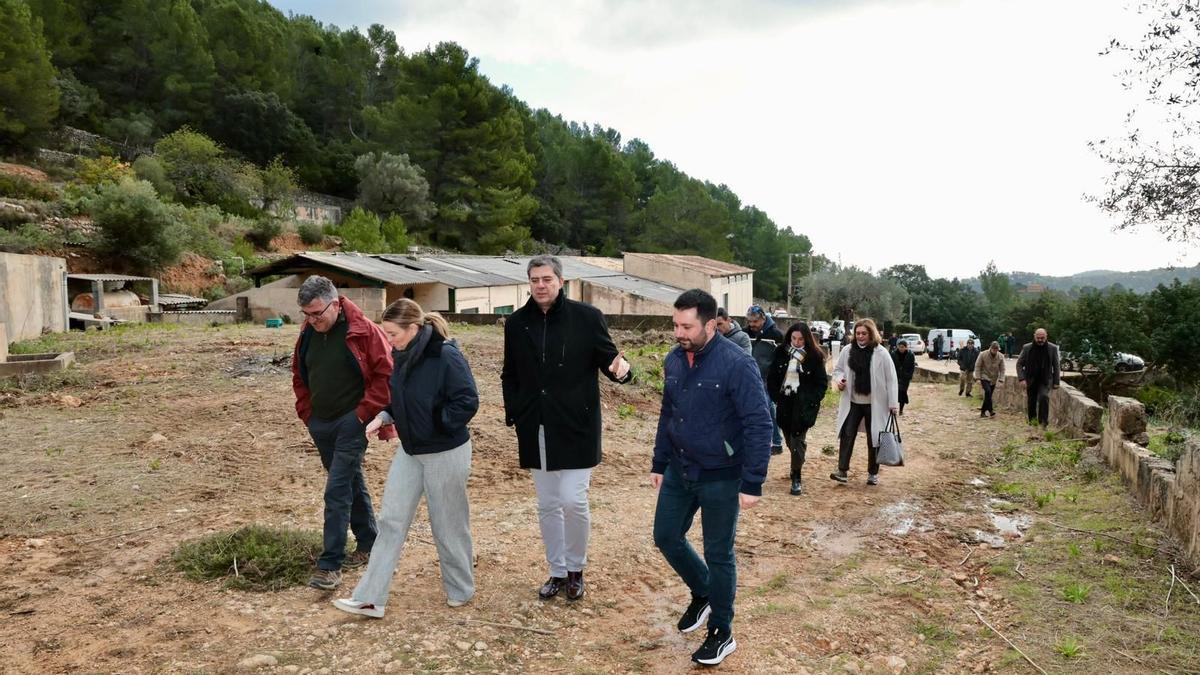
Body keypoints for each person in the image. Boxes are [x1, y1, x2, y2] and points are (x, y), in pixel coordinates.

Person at [333, 299, 480, 618]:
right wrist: (384, 416)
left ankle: (461, 589)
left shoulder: (445, 355)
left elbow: (467, 400)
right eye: (385, 333)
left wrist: (436, 424)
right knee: (391, 520)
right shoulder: (401, 355)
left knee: (448, 524)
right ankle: (370, 598)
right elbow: (400, 399)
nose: (388, 340)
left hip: (446, 451)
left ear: (413, 328)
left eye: (393, 334)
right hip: (411, 451)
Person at [651, 289, 772, 666]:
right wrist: (659, 461)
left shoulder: (737, 363)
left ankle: (722, 631)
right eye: (675, 325)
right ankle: (704, 592)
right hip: (680, 467)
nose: (679, 333)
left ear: (710, 325)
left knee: (718, 553)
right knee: (666, 536)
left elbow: (759, 422)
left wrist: (753, 481)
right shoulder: (674, 360)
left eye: (686, 327)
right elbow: (668, 413)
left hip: (721, 474)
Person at [501, 255, 632, 602]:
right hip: (536, 426)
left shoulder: (587, 317)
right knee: (547, 504)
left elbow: (610, 361)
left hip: (577, 425)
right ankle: (557, 572)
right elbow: (509, 373)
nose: (540, 285)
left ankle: (576, 569)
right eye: (534, 280)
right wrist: (516, 412)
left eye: (547, 279)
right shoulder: (516, 324)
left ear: (561, 281)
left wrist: (622, 370)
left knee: (573, 500)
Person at [291, 275, 394, 591]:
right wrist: (308, 414)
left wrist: (360, 416)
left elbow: (386, 375)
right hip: (320, 423)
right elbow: (299, 374)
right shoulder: (308, 332)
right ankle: (370, 542)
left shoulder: (365, 331)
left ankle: (330, 565)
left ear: (335, 304)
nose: (312, 320)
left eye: (317, 313)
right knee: (350, 480)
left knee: (336, 490)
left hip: (353, 423)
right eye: (306, 314)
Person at [830, 318, 898, 486]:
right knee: (847, 434)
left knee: (874, 438)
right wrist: (839, 381)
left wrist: (893, 403)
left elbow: (891, 379)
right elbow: (838, 370)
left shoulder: (881, 353)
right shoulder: (847, 350)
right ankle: (842, 470)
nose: (860, 336)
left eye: (864, 333)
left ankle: (873, 473)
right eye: (858, 333)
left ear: (871, 334)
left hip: (875, 404)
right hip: (852, 402)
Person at [766, 322, 828, 495]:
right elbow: (772, 377)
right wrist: (776, 397)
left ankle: (796, 476)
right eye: (794, 338)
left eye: (801, 339)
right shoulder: (780, 352)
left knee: (796, 439)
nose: (797, 342)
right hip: (784, 402)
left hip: (804, 405)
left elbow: (821, 383)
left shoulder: (815, 356)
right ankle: (798, 458)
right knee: (789, 439)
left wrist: (812, 400)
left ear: (806, 339)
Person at [746, 304, 784, 455]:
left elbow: (781, 357)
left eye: (755, 321)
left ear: (763, 319)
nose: (752, 325)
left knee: (768, 407)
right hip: (751, 376)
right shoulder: (746, 333)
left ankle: (776, 441)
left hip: (768, 378)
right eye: (749, 321)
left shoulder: (776, 334)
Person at [1016, 328, 1060, 427]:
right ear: (1034, 336)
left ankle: (1043, 422)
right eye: (1038, 338)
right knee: (1031, 400)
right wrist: (1021, 379)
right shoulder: (1027, 348)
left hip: (1045, 379)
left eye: (1042, 338)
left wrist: (1056, 382)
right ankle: (1032, 422)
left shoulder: (1052, 348)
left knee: (1044, 397)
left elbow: (1056, 365)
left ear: (1046, 336)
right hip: (1031, 378)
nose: (1040, 340)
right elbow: (1019, 364)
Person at [976, 341, 1006, 418]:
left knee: (988, 395)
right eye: (994, 349)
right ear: (991, 348)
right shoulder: (983, 354)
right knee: (988, 391)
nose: (995, 351)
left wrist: (1001, 379)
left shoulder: (1001, 356)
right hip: (984, 376)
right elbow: (978, 366)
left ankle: (983, 412)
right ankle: (991, 410)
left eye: (997, 349)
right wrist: (978, 378)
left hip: (994, 378)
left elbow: (1002, 369)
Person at [891, 340, 915, 415]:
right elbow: (890, 365)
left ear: (906, 347)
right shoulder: (893, 354)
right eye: (900, 347)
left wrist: (909, 375)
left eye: (903, 347)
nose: (901, 348)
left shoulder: (910, 355)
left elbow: (912, 366)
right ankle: (894, 409)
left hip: (905, 377)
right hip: (896, 377)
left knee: (903, 393)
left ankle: (901, 410)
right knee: (895, 393)